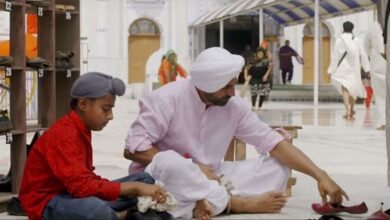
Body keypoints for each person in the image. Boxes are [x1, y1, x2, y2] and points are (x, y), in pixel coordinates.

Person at [124, 47, 348, 219]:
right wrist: (193, 169)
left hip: (213, 178)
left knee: (276, 168)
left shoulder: (233, 106)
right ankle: (236, 204)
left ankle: (202, 204)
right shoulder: (167, 98)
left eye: (233, 84)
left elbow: (273, 143)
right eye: (226, 86)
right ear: (206, 83)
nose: (232, 92)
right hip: (164, 180)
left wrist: (321, 175)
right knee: (171, 165)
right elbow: (134, 148)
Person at [19, 72, 171, 220]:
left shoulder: (82, 128)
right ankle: (123, 214)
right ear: (83, 104)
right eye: (106, 109)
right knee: (98, 211)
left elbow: (86, 180)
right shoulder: (64, 133)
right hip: (47, 202)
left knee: (145, 179)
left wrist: (136, 186)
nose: (110, 116)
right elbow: (81, 187)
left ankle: (126, 212)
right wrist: (134, 188)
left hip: (74, 194)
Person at [328, 21, 370, 120]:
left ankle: (347, 111)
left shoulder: (339, 40)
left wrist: (331, 69)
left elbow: (335, 56)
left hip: (343, 68)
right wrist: (367, 68)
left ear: (343, 28)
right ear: (352, 29)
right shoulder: (357, 40)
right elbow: (363, 54)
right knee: (353, 89)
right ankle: (351, 110)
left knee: (345, 89)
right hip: (354, 68)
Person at [365, 21, 386, 129]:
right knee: (380, 95)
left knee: (380, 96)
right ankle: (383, 122)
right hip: (378, 66)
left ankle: (383, 122)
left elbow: (366, 46)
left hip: (377, 64)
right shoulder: (373, 27)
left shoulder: (373, 27)